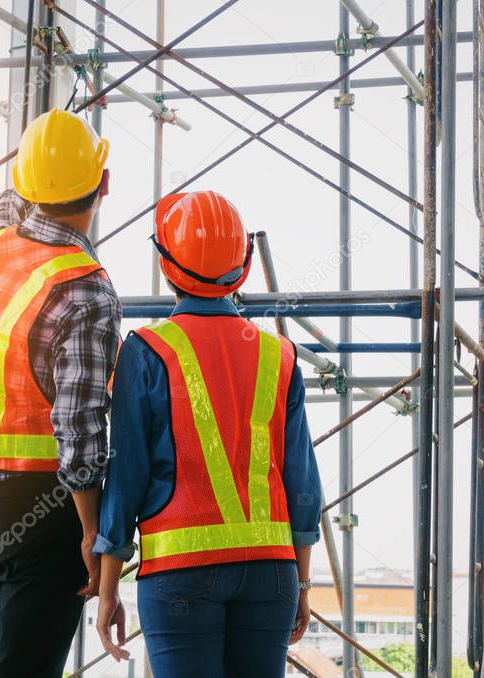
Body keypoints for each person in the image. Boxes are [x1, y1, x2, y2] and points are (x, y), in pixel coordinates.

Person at [93, 191, 323, 677]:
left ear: (166, 266)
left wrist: (109, 585)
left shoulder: (146, 350)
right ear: (243, 268)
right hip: (271, 573)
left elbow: (126, 475)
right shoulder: (279, 356)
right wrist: (301, 584)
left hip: (181, 572)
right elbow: (303, 485)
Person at [0, 108, 120, 677]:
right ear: (105, 185)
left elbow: (8, 206)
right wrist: (94, 534)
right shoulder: (85, 288)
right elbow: (79, 426)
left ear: (24, 185)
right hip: (44, 507)